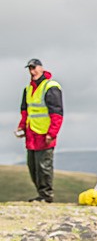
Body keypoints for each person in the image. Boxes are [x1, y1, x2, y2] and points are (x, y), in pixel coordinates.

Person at [16, 59, 63, 203]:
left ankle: (46, 196)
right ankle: (41, 194)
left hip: (45, 134)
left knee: (44, 167)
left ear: (41, 68)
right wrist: (21, 127)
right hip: (31, 134)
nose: (32, 71)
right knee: (33, 167)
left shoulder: (51, 87)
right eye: (30, 69)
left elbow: (57, 114)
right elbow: (25, 111)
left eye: (34, 68)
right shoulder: (28, 89)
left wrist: (52, 133)